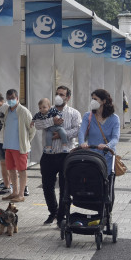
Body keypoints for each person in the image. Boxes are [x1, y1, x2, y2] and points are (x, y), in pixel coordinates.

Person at [33, 86, 81, 225]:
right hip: (48, 154)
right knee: (47, 186)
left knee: (65, 187)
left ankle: (62, 216)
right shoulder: (46, 109)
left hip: (65, 154)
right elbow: (38, 124)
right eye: (57, 94)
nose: (59, 96)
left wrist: (60, 134)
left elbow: (77, 129)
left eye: (62, 94)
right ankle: (52, 212)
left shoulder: (73, 113)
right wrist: (52, 121)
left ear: (68, 97)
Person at [0, 89, 36, 203]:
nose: (10, 100)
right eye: (8, 98)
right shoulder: (7, 111)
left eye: (12, 98)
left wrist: (26, 141)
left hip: (20, 147)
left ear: (17, 98)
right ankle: (14, 192)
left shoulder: (23, 111)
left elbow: (32, 129)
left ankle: (21, 194)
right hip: (8, 145)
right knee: (11, 169)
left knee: (22, 170)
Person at [79, 89, 120, 173]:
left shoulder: (114, 118)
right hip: (91, 155)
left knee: (107, 180)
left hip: (107, 155)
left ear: (103, 101)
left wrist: (107, 146)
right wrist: (82, 143)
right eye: (92, 99)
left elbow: (115, 138)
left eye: (95, 99)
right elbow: (81, 132)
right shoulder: (88, 116)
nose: (92, 101)